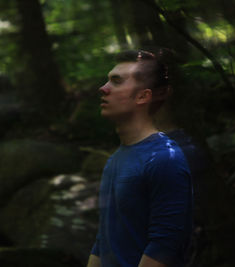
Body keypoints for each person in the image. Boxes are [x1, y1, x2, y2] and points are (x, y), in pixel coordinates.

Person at [86, 50, 193, 267]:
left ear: (143, 96)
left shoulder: (164, 159)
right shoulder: (114, 160)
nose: (103, 88)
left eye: (116, 81)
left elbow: (164, 247)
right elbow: (103, 241)